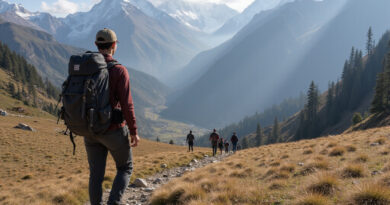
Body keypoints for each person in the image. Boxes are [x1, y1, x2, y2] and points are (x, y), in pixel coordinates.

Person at [84, 28, 140, 205]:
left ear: (96, 45)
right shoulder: (119, 70)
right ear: (114, 45)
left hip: (90, 130)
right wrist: (133, 131)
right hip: (113, 130)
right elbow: (127, 104)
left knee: (96, 175)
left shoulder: (85, 67)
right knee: (125, 167)